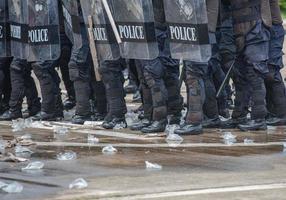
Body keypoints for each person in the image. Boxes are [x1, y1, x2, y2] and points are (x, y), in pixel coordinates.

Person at [175, 0, 220, 135]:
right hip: (193, 31)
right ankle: (211, 116)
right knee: (202, 76)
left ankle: (194, 122)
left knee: (194, 76)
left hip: (201, 31)